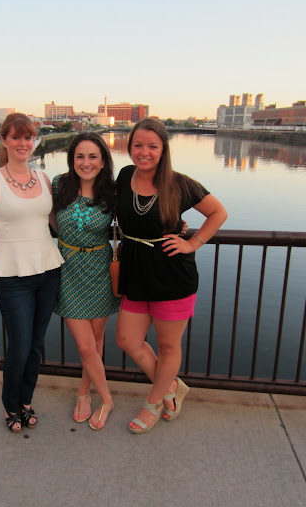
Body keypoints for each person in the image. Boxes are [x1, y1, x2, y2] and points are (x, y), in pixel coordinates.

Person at [115, 118, 227, 434]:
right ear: (129, 146)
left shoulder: (179, 183)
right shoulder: (124, 176)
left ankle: (154, 402)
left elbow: (218, 212)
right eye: (138, 145)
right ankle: (171, 386)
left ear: (163, 149)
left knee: (167, 346)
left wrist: (192, 242)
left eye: (153, 146)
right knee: (127, 339)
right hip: (135, 272)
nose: (144, 152)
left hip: (172, 275)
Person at [0, 113, 64, 433]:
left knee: (35, 344)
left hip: (48, 271)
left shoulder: (43, 178)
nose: (23, 143)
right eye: (16, 137)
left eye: (28, 137)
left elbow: (55, 223)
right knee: (19, 346)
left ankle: (26, 400)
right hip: (12, 276)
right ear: (4, 140)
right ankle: (10, 403)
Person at [52, 133, 120, 430]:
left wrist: (177, 225)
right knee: (85, 345)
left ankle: (84, 391)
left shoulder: (113, 193)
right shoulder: (59, 184)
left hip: (100, 270)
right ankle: (107, 399)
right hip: (67, 269)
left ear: (103, 161)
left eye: (93, 156)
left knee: (95, 341)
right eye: (80, 156)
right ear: (72, 160)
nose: (86, 162)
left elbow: (138, 219)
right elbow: (46, 216)